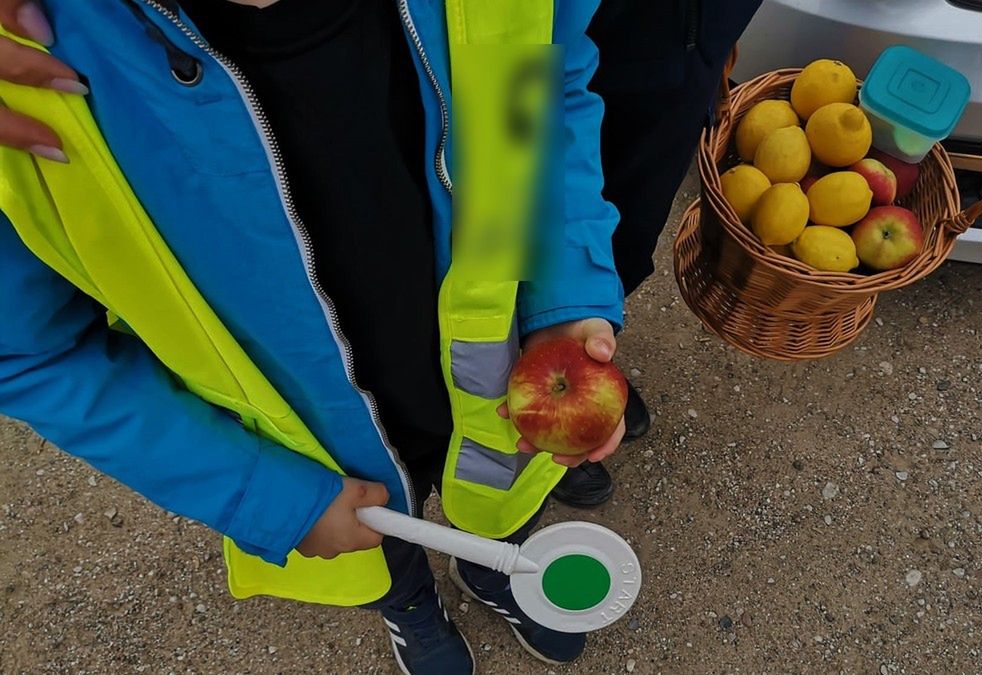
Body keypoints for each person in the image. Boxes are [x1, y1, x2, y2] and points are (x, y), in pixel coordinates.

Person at [0, 1, 623, 673]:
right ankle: (406, 601)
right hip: (313, 456)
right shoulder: (28, 74)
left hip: (497, 385)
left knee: (498, 492)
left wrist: (562, 296)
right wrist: (266, 495)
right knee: (377, 543)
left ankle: (495, 562)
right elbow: (35, 353)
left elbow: (544, 78)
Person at [551, 0, 764, 507]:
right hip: (591, 37)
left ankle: (584, 362)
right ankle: (550, 402)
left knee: (630, 231)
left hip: (697, 42)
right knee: (548, 219)